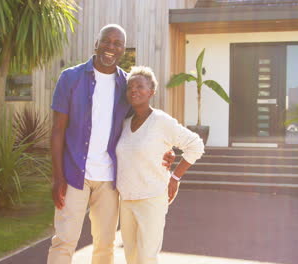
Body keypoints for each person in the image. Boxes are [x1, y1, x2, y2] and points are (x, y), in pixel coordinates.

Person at [47, 24, 174, 264]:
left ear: (123, 50)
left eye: (117, 44)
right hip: (74, 174)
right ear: (96, 43)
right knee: (64, 241)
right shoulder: (71, 78)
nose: (111, 47)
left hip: (110, 180)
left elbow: (142, 124)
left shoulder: (127, 86)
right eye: (106, 41)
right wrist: (57, 177)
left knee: (105, 245)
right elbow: (57, 131)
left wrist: (164, 151)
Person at [116, 66, 204, 264]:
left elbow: (196, 145)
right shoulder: (124, 123)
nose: (134, 90)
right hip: (126, 199)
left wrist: (175, 177)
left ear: (151, 92)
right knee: (131, 256)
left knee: (147, 257)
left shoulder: (161, 121)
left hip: (152, 198)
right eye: (130, 87)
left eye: (140, 86)